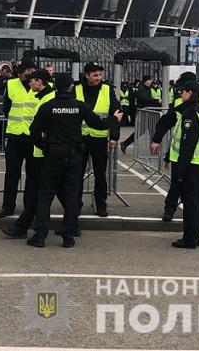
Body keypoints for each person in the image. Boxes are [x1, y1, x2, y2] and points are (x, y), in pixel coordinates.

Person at [25, 74, 123, 248]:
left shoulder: (48, 107)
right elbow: (97, 124)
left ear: (56, 87)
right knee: (71, 195)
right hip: (73, 155)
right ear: (71, 87)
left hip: (53, 154)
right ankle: (68, 236)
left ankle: (40, 235)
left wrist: (45, 148)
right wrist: (114, 119)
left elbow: (33, 131)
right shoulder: (79, 106)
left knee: (45, 195)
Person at [150, 72, 199, 223]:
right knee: (196, 183)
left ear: (189, 89)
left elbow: (166, 122)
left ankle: (173, 210)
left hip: (191, 146)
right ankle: (194, 212)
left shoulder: (185, 102)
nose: (180, 92)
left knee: (179, 181)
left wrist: (157, 140)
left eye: (183, 89)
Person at [151, 81, 199, 248]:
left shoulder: (190, 115)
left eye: (183, 92)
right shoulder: (194, 112)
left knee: (190, 203)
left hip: (188, 166)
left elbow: (187, 145)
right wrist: (170, 156)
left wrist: (181, 171)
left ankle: (190, 238)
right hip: (192, 164)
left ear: (190, 93)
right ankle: (193, 236)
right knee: (192, 202)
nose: (181, 95)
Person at [0, 69, 55, 236]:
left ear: (40, 82)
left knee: (43, 189)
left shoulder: (47, 99)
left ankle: (35, 228)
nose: (30, 83)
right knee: (41, 189)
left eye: (33, 80)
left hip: (43, 149)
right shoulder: (44, 96)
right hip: (31, 142)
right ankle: (29, 227)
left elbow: (41, 125)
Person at [74, 62, 121, 217]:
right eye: (95, 75)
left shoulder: (107, 90)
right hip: (80, 137)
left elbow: (117, 112)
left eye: (100, 75)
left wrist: (114, 136)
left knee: (100, 174)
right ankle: (76, 204)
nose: (98, 78)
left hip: (99, 137)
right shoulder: (76, 89)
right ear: (86, 75)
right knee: (77, 173)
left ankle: (101, 204)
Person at [0, 60, 38, 218]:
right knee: (12, 173)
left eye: (29, 70)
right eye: (23, 71)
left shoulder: (41, 86)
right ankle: (7, 207)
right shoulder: (11, 85)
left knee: (32, 175)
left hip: (33, 137)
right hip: (14, 136)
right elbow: (6, 108)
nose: (26, 74)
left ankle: (29, 208)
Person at [120, 75, 157, 153]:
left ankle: (153, 148)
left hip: (149, 113)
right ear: (144, 81)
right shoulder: (141, 89)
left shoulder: (148, 89)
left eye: (151, 80)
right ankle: (125, 143)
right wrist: (156, 101)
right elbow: (145, 99)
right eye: (149, 80)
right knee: (141, 131)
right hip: (144, 113)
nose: (150, 82)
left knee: (151, 131)